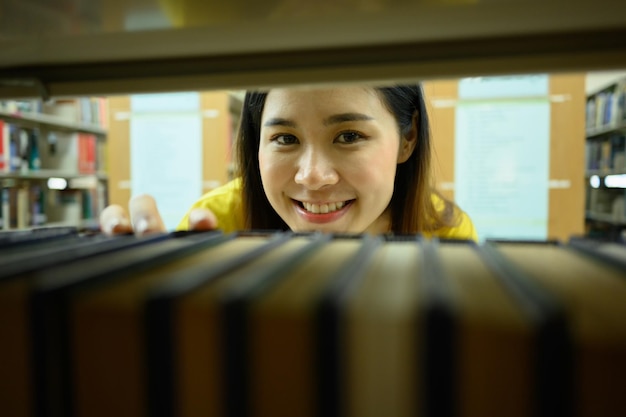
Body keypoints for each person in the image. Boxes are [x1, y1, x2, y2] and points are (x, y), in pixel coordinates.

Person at [100, 84, 477, 241]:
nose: (313, 176)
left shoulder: (446, 237)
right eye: (285, 139)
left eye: (349, 136)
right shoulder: (218, 223)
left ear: (407, 138)